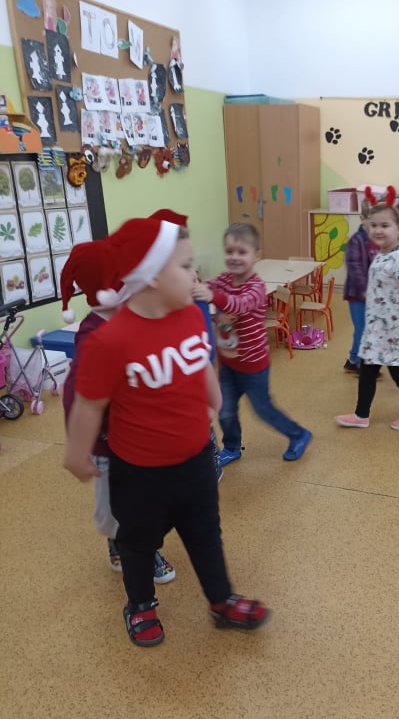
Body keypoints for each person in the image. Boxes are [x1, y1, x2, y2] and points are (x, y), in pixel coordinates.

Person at [64, 217, 269, 647]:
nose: (196, 276)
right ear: (153, 275)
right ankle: (140, 605)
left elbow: (201, 361)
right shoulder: (110, 340)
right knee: (138, 543)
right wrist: (77, 454)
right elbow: (89, 404)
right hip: (140, 473)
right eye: (186, 266)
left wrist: (214, 400)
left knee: (206, 534)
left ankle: (221, 601)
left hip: (195, 461)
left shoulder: (191, 316)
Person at [61, 242, 176, 583]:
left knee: (147, 500)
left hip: (141, 438)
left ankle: (135, 540)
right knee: (118, 508)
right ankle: (127, 546)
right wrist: (81, 446)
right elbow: (76, 396)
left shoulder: (132, 317)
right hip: (109, 445)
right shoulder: (93, 336)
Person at [193, 222, 311, 466]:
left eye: (242, 252)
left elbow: (239, 305)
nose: (234, 257)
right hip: (229, 363)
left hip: (254, 365)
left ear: (256, 255)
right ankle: (232, 447)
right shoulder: (224, 279)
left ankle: (298, 434)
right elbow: (208, 287)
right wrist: (194, 283)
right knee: (225, 409)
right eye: (229, 251)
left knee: (263, 410)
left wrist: (212, 296)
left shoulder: (256, 287)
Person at [335, 186, 399, 431]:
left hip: (396, 334)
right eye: (374, 225)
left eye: (385, 225)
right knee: (367, 371)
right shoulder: (382, 254)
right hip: (377, 332)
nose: (378, 230)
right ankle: (361, 415)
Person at [149, 209, 223, 485]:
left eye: (190, 265)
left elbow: (206, 339)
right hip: (177, 380)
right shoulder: (161, 302)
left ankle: (210, 463)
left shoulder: (194, 295)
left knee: (203, 424)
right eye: (184, 265)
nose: (193, 273)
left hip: (198, 370)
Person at [342, 201, 377, 375]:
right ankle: (358, 362)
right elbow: (354, 267)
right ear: (362, 218)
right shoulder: (356, 240)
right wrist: (366, 290)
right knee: (362, 329)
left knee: (368, 329)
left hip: (373, 295)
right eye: (371, 221)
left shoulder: (377, 240)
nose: (375, 226)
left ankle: (354, 360)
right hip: (357, 294)